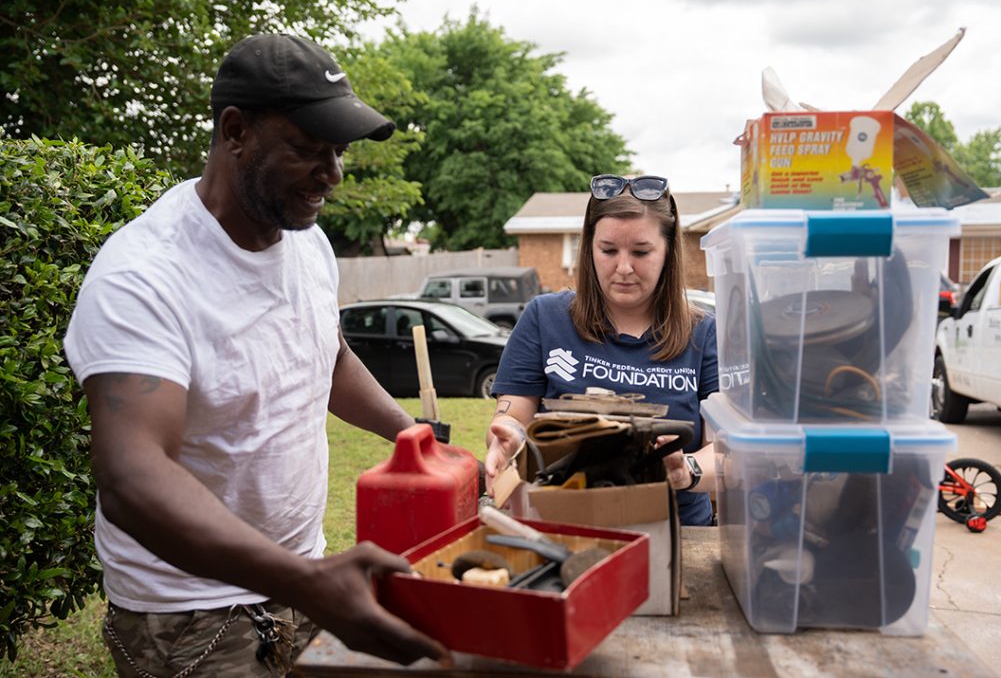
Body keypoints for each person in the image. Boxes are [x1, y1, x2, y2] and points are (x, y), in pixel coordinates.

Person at [63, 34, 449, 676]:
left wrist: (410, 435)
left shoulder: (307, 243)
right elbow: (132, 479)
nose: (332, 173)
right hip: (190, 614)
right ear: (235, 131)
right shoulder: (143, 277)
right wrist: (303, 580)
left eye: (339, 151)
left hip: (299, 575)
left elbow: (324, 356)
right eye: (307, 149)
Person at [484, 174, 718, 525]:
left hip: (676, 532)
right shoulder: (544, 318)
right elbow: (513, 416)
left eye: (641, 252)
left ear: (668, 251)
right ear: (589, 246)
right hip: (562, 525)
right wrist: (508, 440)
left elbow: (729, 451)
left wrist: (688, 470)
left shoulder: (704, 333)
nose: (623, 267)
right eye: (608, 250)